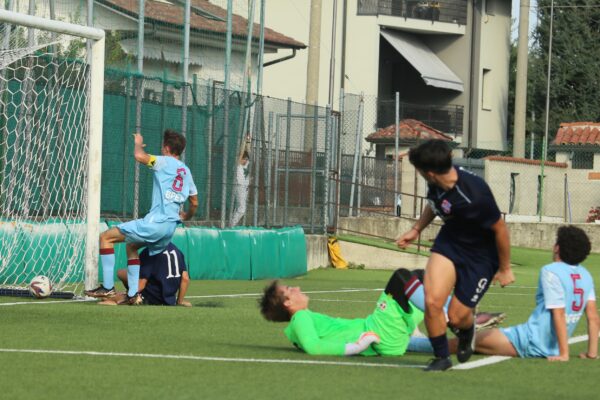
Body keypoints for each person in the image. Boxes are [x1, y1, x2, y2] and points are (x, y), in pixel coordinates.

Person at [396, 139, 514, 371]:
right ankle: (442, 358)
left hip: (480, 256)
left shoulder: (475, 194)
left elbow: (500, 229)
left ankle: (466, 330)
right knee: (432, 301)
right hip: (450, 243)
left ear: (428, 173)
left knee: (457, 316)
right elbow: (434, 203)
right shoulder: (437, 182)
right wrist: (416, 229)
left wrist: (505, 268)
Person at [259, 268, 505, 358]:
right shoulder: (300, 318)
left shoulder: (300, 323)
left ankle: (458, 320)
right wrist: (357, 346)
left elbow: (310, 342)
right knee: (402, 278)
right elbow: (314, 347)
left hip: (386, 335)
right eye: (291, 289)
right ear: (288, 303)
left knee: (419, 278)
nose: (298, 287)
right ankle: (456, 318)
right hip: (379, 331)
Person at [86, 130, 198, 304]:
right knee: (132, 246)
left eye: (163, 146)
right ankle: (133, 295)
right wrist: (186, 215)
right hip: (169, 230)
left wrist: (139, 142)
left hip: (155, 223)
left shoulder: (163, 162)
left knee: (105, 238)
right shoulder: (186, 171)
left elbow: (139, 156)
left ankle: (108, 289)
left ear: (167, 148)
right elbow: (195, 202)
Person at [456, 226, 598, 361]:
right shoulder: (586, 275)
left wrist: (564, 354)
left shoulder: (551, 270)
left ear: (557, 248)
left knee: (468, 341)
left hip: (531, 341)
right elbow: (593, 318)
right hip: (548, 345)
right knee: (476, 339)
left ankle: (436, 343)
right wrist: (592, 353)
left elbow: (558, 313)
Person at [99, 243, 191, 307]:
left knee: (108, 298)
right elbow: (185, 279)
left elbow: (141, 285)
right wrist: (179, 301)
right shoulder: (177, 251)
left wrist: (126, 296)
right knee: (122, 273)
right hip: (170, 300)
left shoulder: (149, 252)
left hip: (150, 297)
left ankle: (134, 297)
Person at [230, 137, 251, 227]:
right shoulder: (238, 165)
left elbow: (248, 155)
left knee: (240, 207)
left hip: (244, 188)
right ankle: (232, 224)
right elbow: (240, 154)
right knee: (242, 208)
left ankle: (232, 223)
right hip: (239, 187)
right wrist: (243, 142)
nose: (245, 160)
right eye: (244, 159)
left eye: (246, 159)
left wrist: (248, 142)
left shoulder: (244, 166)